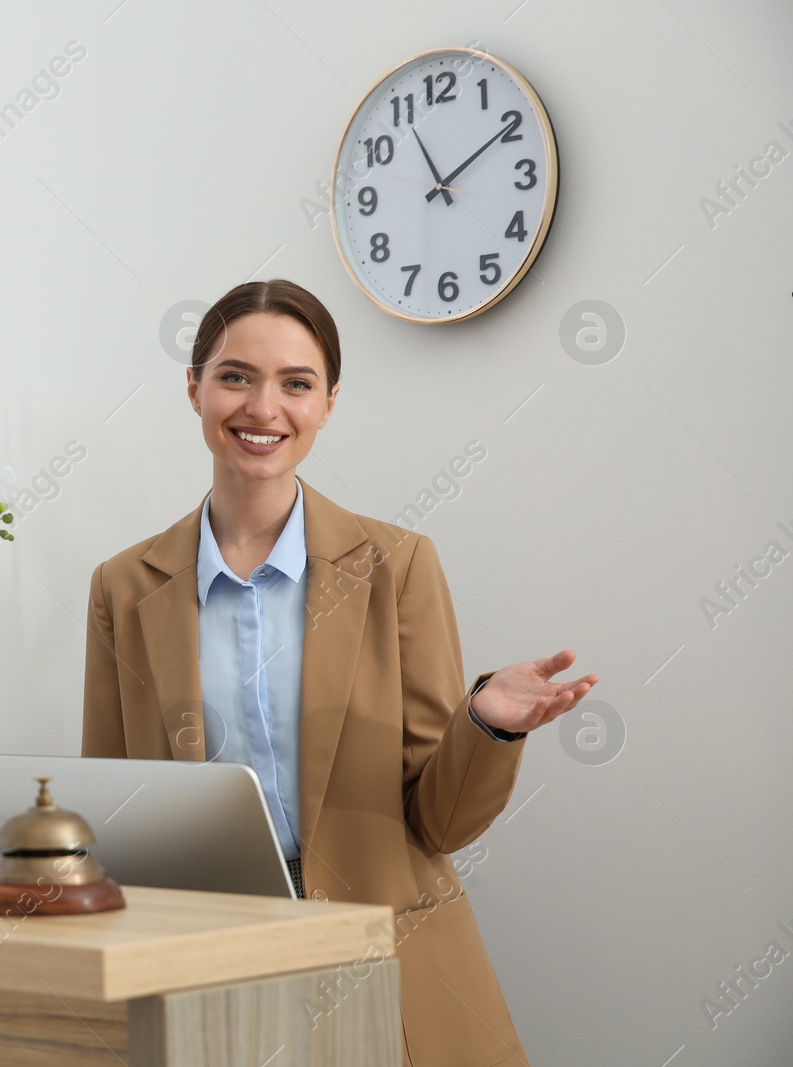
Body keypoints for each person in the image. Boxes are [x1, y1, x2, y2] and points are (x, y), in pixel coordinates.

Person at [81, 279, 598, 1067]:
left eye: (297, 383)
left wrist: (486, 723)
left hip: (382, 951)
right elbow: (113, 805)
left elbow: (441, 823)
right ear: (194, 389)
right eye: (234, 376)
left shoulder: (398, 567)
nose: (264, 408)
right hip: (200, 961)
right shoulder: (123, 586)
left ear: (328, 402)